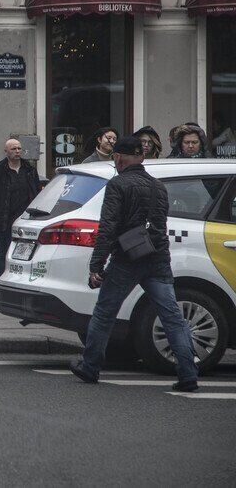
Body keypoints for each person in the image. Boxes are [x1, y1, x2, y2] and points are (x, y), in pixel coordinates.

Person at [70, 136, 199, 392]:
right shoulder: (158, 187)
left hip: (126, 258)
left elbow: (108, 227)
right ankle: (188, 373)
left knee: (105, 312)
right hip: (158, 258)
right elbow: (159, 226)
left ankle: (90, 366)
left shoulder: (118, 185)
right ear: (141, 157)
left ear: (118, 157)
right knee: (172, 317)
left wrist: (97, 264)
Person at [0, 138, 41, 285]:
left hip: (26, 221)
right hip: (5, 221)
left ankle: (22, 282)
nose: (17, 152)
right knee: (3, 253)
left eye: (19, 148)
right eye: (13, 149)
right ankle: (0, 284)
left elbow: (38, 193)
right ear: (6, 151)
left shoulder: (29, 170)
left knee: (26, 253)